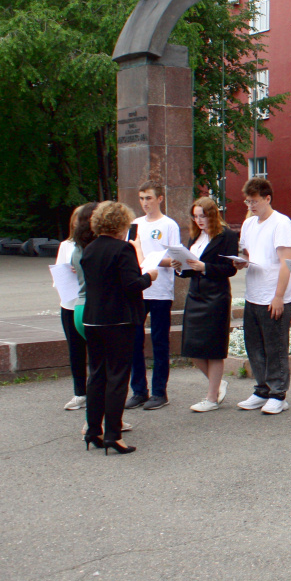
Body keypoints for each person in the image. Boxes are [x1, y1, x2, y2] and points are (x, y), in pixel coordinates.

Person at [80, 201, 158, 455]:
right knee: (117, 377)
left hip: (93, 319)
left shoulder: (89, 249)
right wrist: (150, 276)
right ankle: (113, 433)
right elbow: (131, 284)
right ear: (120, 224)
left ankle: (93, 430)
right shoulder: (123, 249)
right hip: (119, 320)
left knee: (97, 374)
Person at [233, 177, 291, 415]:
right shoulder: (249, 224)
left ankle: (278, 393)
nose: (250, 206)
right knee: (255, 345)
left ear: (267, 198)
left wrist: (279, 296)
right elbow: (248, 253)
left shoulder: (281, 223)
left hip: (274, 293)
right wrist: (241, 263)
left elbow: (286, 263)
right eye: (247, 201)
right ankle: (261, 389)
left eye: (254, 201)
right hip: (254, 293)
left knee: (275, 346)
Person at [175, 197, 239, 412]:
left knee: (213, 348)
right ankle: (218, 383)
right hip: (195, 295)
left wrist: (205, 267)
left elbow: (230, 269)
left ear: (212, 214)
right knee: (192, 348)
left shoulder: (226, 235)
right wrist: (179, 267)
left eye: (202, 215)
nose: (199, 220)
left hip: (215, 296)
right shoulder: (196, 236)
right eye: (195, 216)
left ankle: (211, 398)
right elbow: (188, 270)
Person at [126, 181, 182, 411]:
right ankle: (139, 390)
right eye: (141, 198)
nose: (145, 203)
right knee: (134, 341)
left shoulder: (169, 225)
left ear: (160, 198)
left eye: (149, 198)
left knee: (159, 342)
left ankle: (160, 392)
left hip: (159, 291)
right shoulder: (135, 224)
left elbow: (175, 258)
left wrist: (151, 260)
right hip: (138, 288)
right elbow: (128, 252)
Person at [56, 206, 88, 411]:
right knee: (75, 350)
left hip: (89, 303)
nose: (78, 225)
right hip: (69, 303)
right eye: (76, 220)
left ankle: (97, 391)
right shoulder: (66, 245)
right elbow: (59, 271)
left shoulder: (92, 245)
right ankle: (80, 393)